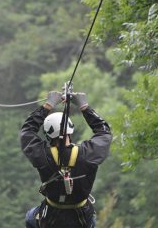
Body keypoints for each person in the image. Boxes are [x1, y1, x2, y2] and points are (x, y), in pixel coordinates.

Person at [20, 91, 112, 228]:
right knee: (92, 221)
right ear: (71, 130)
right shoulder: (88, 154)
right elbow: (104, 131)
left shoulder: (42, 155)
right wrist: (84, 107)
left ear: (48, 134)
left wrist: (48, 105)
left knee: (30, 217)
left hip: (51, 218)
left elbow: (27, 131)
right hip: (81, 219)